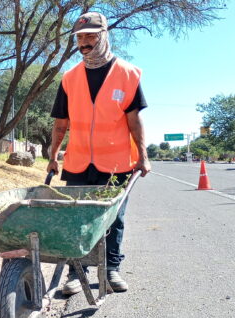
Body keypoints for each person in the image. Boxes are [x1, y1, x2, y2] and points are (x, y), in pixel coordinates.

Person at [46, 12, 151, 295]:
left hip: (117, 162)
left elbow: (134, 120)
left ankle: (112, 268)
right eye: (80, 37)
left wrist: (143, 154)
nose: (84, 42)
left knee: (114, 218)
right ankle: (75, 271)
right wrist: (53, 155)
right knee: (77, 218)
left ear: (103, 35)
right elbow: (60, 122)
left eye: (90, 36)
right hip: (79, 161)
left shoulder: (127, 74)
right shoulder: (70, 78)